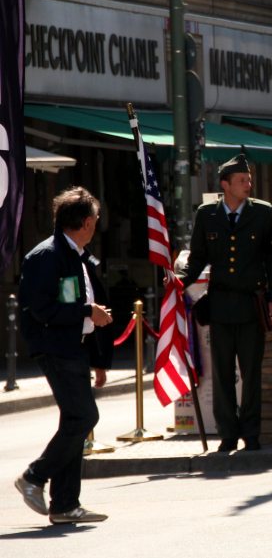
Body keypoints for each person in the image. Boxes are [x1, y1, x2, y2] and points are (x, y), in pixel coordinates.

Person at [15, 186, 113, 524]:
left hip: (76, 347)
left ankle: (65, 505)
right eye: (96, 220)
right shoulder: (48, 255)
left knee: (74, 421)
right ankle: (34, 477)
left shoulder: (76, 254)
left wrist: (99, 357)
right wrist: (89, 311)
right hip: (56, 347)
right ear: (86, 222)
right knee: (84, 418)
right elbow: (43, 308)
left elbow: (76, 305)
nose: (97, 225)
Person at [177, 154, 272, 453]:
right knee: (222, 374)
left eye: (249, 179)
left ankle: (251, 432)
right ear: (225, 185)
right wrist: (179, 280)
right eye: (242, 180)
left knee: (251, 374)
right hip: (221, 305)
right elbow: (197, 258)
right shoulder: (207, 214)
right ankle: (227, 432)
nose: (248, 184)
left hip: (252, 306)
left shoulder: (262, 213)